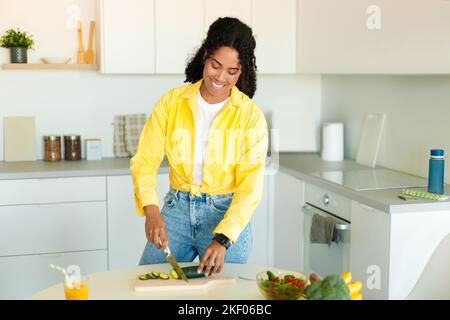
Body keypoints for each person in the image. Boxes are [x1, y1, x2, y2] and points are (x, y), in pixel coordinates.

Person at [130, 17, 268, 277]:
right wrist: (151, 211)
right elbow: (145, 161)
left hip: (225, 215)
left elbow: (250, 188)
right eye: (216, 65)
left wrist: (223, 239)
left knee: (226, 296)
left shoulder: (250, 116)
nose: (221, 77)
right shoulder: (172, 102)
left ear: (242, 72)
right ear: (205, 56)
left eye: (232, 71)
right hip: (176, 211)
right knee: (150, 287)